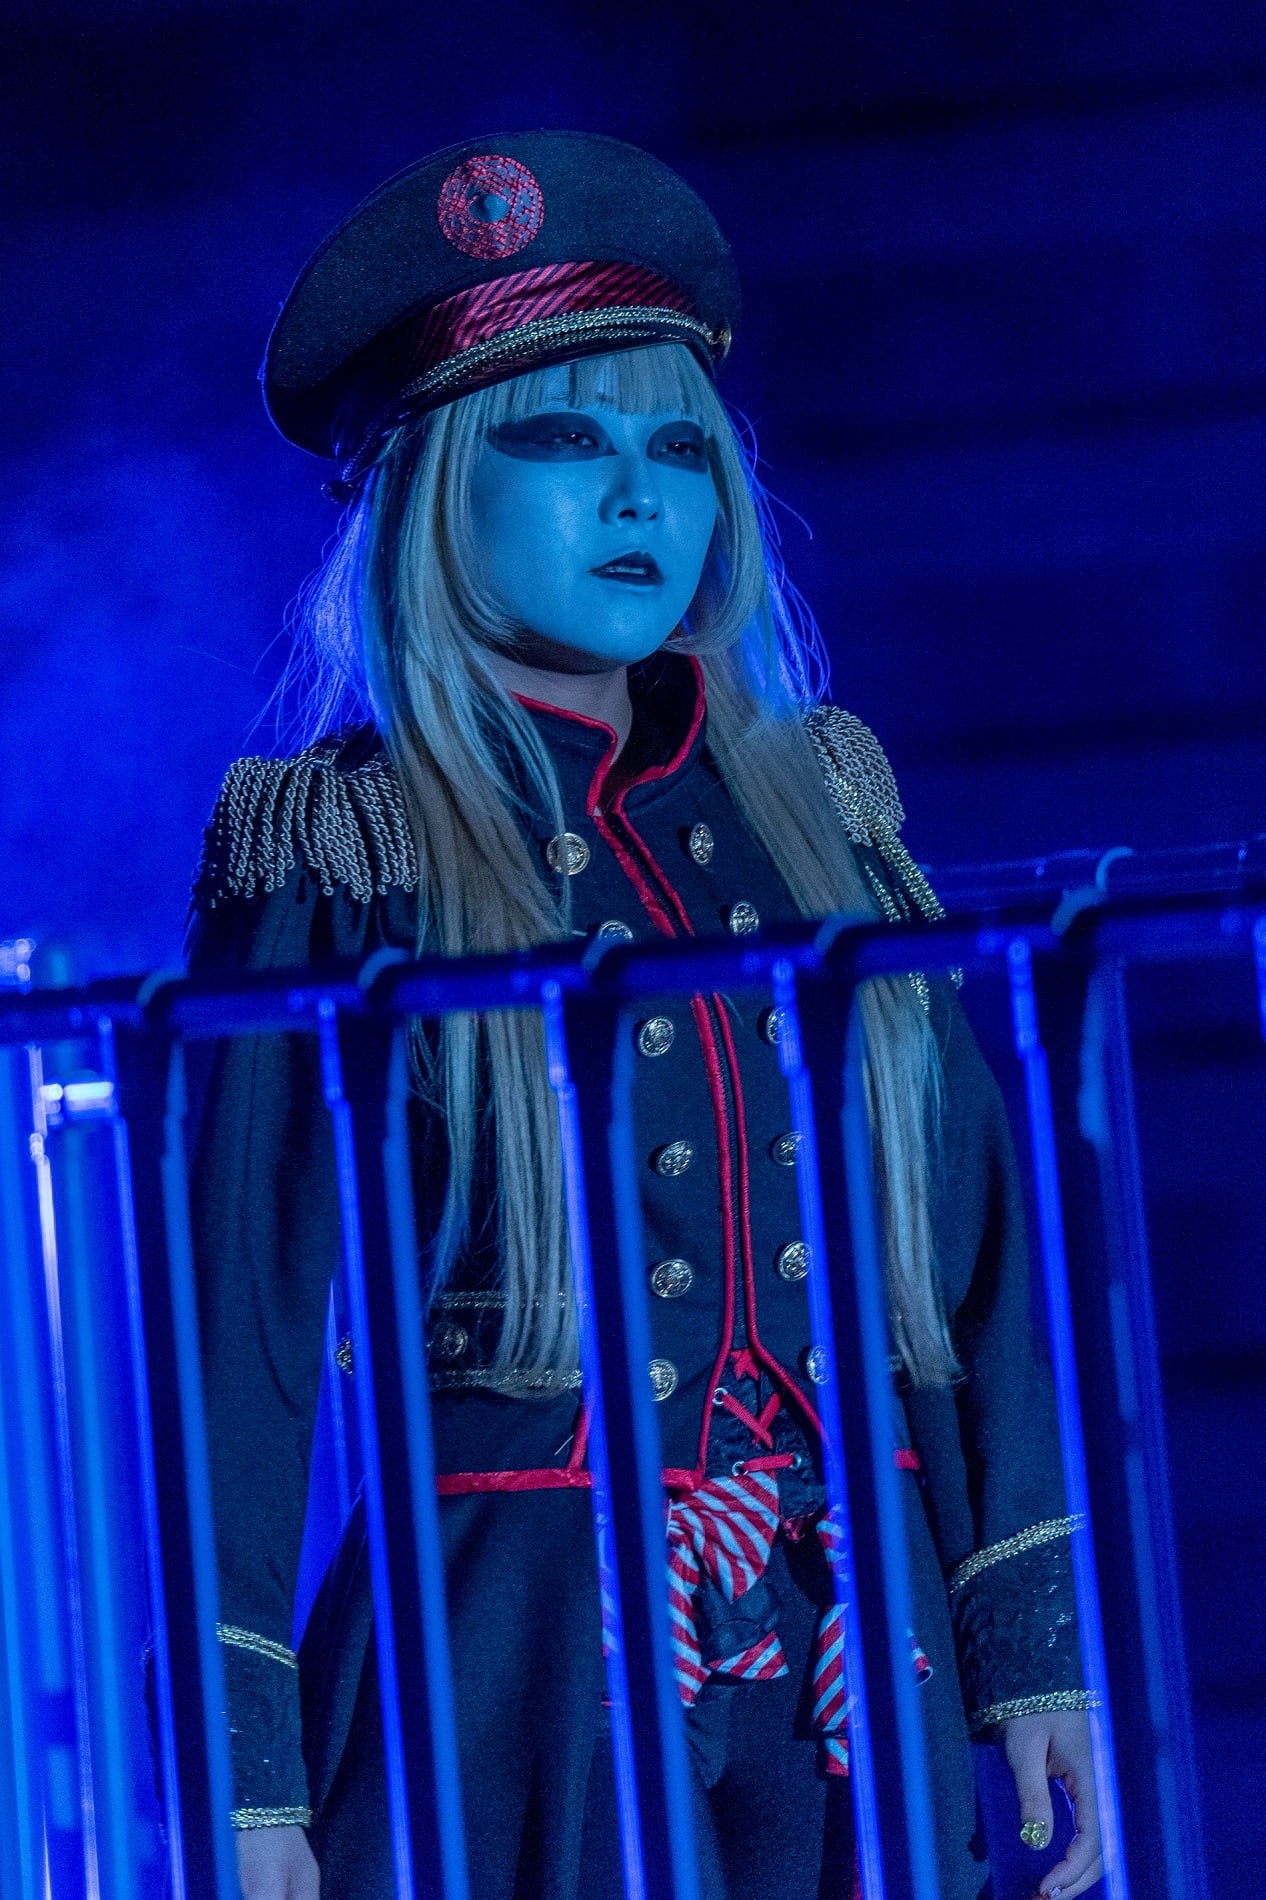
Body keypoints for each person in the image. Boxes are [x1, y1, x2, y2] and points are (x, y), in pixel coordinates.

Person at [184, 132, 1102, 1900]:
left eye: (678, 449)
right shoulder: (343, 847)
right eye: (562, 440)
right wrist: (248, 1782)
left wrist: (1032, 1656)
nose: (638, 499)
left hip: (859, 1637)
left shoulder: (820, 813)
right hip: (513, 1662)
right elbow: (240, 1336)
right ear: (430, 485)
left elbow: (977, 1253)